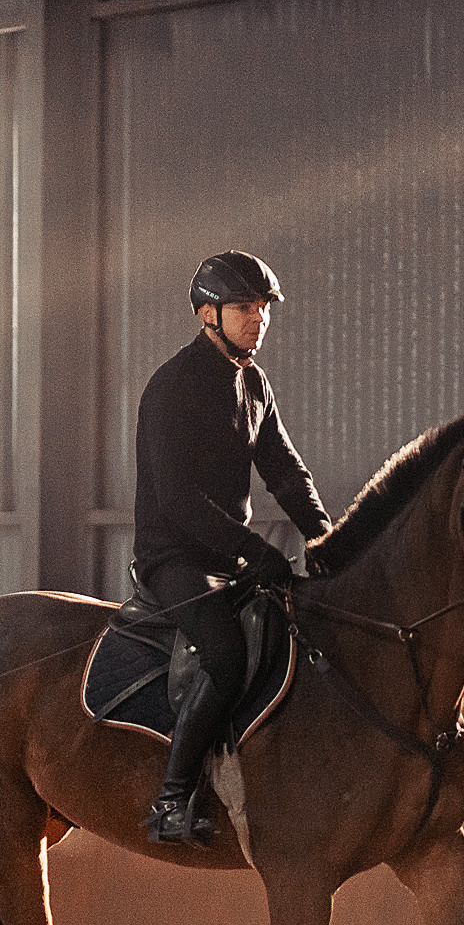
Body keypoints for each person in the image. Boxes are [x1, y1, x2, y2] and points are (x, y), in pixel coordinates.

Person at [132, 250, 332, 847]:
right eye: (245, 307)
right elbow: (179, 500)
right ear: (207, 315)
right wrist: (254, 551)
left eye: (263, 308)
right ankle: (172, 798)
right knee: (224, 652)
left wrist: (324, 534)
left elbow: (285, 470)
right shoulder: (171, 387)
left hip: (227, 557)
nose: (258, 318)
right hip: (172, 556)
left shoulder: (254, 383)